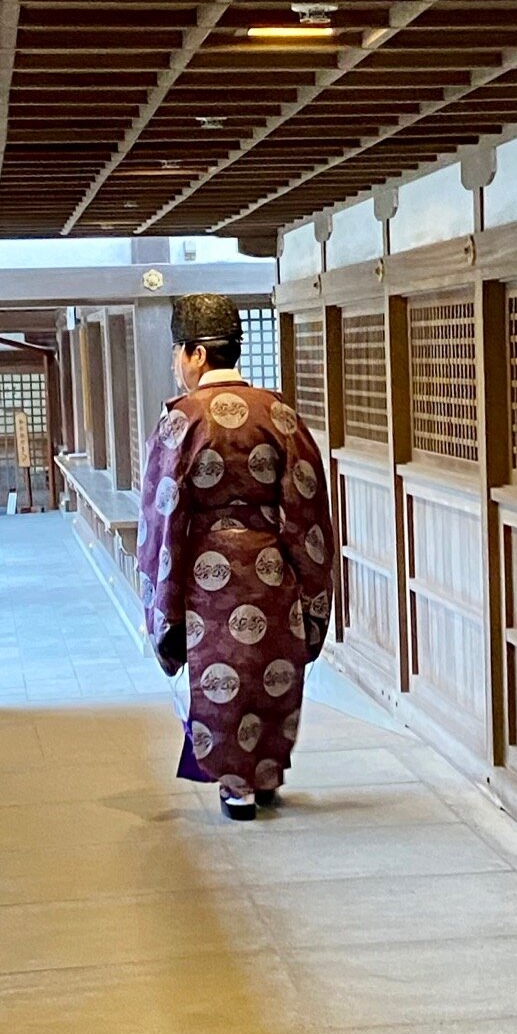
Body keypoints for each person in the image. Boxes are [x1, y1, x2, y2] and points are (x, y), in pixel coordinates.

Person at [135, 293, 334, 821]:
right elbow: (307, 504)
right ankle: (264, 775)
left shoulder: (181, 420)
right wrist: (309, 590)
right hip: (273, 572)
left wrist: (165, 596)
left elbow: (163, 513)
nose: (177, 364)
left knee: (221, 677)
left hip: (208, 577)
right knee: (271, 671)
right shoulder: (280, 414)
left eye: (179, 351)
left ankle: (235, 788)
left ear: (198, 355)